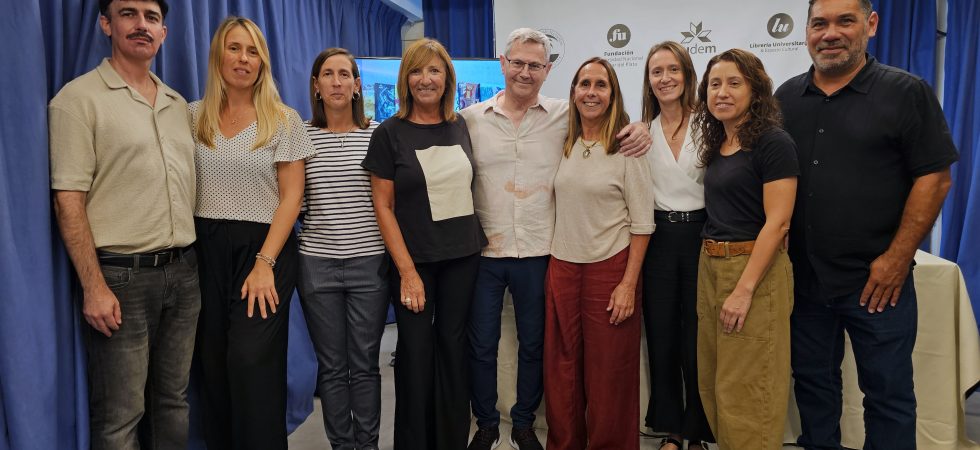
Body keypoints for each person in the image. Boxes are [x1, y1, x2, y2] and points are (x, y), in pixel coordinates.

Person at [774, 1, 958, 448]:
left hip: (877, 283)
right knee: (813, 388)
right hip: (804, 280)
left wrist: (896, 259)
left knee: (888, 395)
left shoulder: (906, 92)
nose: (830, 33)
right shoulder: (785, 98)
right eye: (820, 23)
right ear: (807, 31)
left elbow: (934, 179)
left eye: (845, 21)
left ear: (870, 25)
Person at [461, 28, 651, 450]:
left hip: (539, 252)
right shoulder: (471, 119)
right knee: (484, 345)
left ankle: (524, 424)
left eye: (535, 65)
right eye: (518, 62)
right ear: (503, 63)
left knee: (537, 347)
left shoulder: (564, 116)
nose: (525, 72)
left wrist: (641, 128)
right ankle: (488, 424)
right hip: (489, 252)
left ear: (547, 70)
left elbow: (611, 120)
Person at [49, 1, 200, 448]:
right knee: (121, 416)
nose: (141, 25)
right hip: (121, 280)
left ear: (164, 33)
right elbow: (68, 200)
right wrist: (93, 286)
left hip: (184, 273)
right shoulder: (78, 100)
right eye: (128, 14)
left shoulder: (177, 104)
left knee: (173, 402)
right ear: (106, 24)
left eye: (151, 17)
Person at [189, 16, 315, 450]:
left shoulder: (283, 119)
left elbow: (292, 198)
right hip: (205, 252)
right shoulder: (192, 117)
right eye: (234, 48)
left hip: (265, 250)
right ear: (218, 56)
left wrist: (264, 263)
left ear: (263, 61)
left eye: (253, 51)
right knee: (213, 365)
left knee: (250, 362)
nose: (243, 59)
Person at [362, 38, 487, 450]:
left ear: (447, 78)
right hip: (413, 262)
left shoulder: (461, 125)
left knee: (453, 349)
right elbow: (383, 207)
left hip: (462, 257)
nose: (425, 79)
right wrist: (407, 272)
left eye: (434, 70)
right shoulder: (389, 133)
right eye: (416, 71)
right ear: (405, 80)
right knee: (415, 355)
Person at [543, 56, 654, 450]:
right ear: (573, 92)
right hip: (562, 266)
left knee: (610, 374)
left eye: (600, 85)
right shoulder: (564, 141)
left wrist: (628, 285)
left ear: (613, 94)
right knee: (562, 372)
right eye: (584, 84)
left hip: (611, 269)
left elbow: (643, 224)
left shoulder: (628, 147)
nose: (591, 92)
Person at [692, 48, 798, 450]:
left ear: (756, 90)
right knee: (715, 382)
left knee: (748, 389)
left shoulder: (773, 143)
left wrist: (744, 289)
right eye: (714, 84)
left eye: (734, 83)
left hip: (752, 271)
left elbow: (778, 222)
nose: (722, 92)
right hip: (711, 265)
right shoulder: (719, 142)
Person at [298, 47, 388, 450]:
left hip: (369, 264)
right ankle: (342, 446)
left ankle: (367, 445)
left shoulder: (378, 134)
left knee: (365, 364)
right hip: (317, 266)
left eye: (344, 74)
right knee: (332, 367)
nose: (336, 82)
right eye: (328, 74)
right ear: (316, 86)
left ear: (356, 85)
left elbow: (388, 202)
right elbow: (293, 201)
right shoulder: (300, 136)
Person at [638, 40, 713, 450]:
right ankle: (672, 429)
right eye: (656, 71)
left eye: (672, 70)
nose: (665, 78)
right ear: (648, 80)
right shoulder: (641, 132)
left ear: (687, 75)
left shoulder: (710, 124)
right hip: (659, 240)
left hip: (702, 236)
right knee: (662, 335)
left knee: (697, 339)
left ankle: (697, 430)